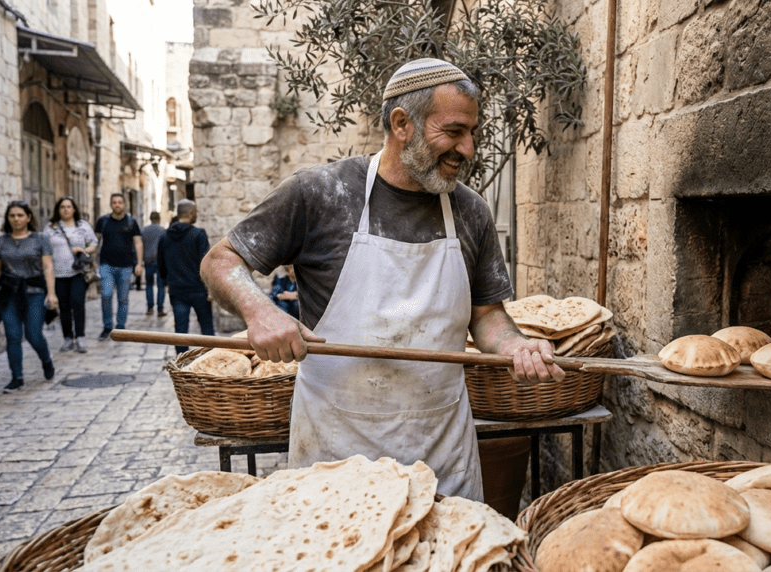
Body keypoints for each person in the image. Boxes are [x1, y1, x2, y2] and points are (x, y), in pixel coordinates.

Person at [201, 58, 565, 501]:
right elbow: (220, 261)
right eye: (453, 131)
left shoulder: (471, 212)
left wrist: (514, 345)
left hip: (441, 455)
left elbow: (486, 315)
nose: (467, 149)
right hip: (337, 457)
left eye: (472, 133)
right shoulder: (321, 193)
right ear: (402, 123)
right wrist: (260, 310)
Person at [0, 201, 57, 392]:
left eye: (20, 215)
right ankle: (17, 377)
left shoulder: (40, 239)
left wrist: (51, 293)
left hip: (34, 292)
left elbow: (48, 267)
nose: (16, 219)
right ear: (8, 219)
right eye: (12, 215)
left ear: (29, 217)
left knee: (33, 334)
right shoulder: (1, 242)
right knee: (13, 336)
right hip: (8, 293)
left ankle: (46, 360)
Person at [158, 199, 214, 354]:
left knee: (181, 330)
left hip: (177, 290)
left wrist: (168, 280)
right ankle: (212, 360)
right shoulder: (198, 234)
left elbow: (161, 266)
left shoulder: (164, 237)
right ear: (191, 213)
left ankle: (182, 364)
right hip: (198, 289)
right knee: (207, 327)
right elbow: (206, 263)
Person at [44, 197, 98, 353]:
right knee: (64, 306)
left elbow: (94, 244)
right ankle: (68, 338)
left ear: (74, 209)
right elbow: (44, 249)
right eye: (62, 207)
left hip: (78, 272)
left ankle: (80, 338)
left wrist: (84, 251)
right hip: (58, 274)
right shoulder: (50, 228)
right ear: (58, 210)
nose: (66, 209)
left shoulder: (82, 226)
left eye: (69, 206)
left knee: (78, 303)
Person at [94, 193, 142, 340]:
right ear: (111, 204)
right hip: (106, 265)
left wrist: (139, 263)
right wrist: (91, 262)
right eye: (114, 202)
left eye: (120, 202)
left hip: (126, 266)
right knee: (106, 295)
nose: (117, 205)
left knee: (123, 298)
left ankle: (120, 328)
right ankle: (107, 326)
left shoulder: (131, 222)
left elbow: (138, 243)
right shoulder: (103, 221)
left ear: (124, 204)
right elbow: (95, 241)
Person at [141, 211, 167, 317]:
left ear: (150, 218)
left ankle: (150, 307)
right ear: (159, 218)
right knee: (161, 285)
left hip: (148, 260)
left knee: (149, 285)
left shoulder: (144, 230)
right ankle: (160, 309)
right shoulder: (163, 231)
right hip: (160, 261)